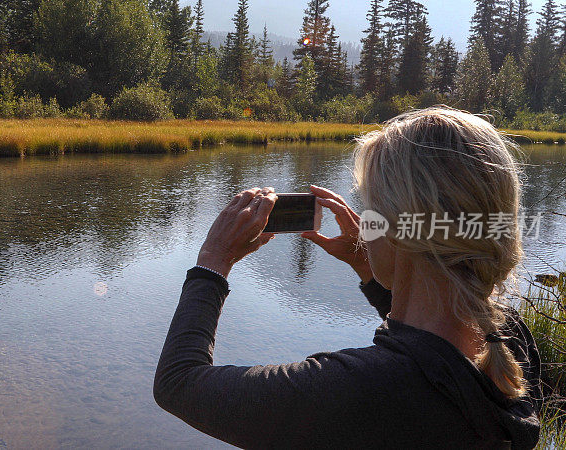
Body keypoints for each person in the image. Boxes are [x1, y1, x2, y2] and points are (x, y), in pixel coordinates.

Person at [153, 108, 542, 449]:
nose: (363, 224)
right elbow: (432, 347)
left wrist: (213, 262)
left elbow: (179, 384)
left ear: (397, 229)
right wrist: (372, 267)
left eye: (369, 211)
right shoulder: (509, 342)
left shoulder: (356, 390)